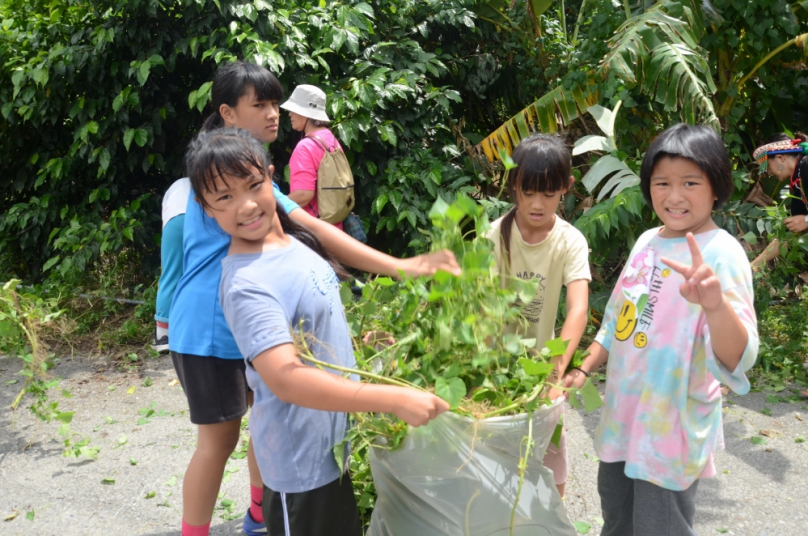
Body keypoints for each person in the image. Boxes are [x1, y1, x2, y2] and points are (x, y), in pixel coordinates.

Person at [164, 61, 460, 536]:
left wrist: (404, 267)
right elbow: (284, 379)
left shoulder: (280, 232)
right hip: (208, 331)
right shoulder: (244, 260)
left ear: (268, 176)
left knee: (264, 423)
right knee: (219, 441)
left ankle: (262, 512)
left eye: (272, 103)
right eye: (258, 104)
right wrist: (389, 399)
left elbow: (317, 230)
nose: (273, 113)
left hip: (300, 419)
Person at [565, 124, 759, 536]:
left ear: (716, 187)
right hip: (623, 417)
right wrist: (582, 369)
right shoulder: (647, 241)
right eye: (662, 183)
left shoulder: (722, 254)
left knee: (660, 528)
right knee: (616, 519)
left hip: (670, 430)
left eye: (690, 182)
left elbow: (738, 358)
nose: (674, 196)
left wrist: (715, 305)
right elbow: (618, 320)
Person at [485, 133, 590, 499]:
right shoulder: (494, 237)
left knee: (550, 451)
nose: (537, 204)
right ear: (514, 184)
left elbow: (578, 307)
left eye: (549, 194)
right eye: (528, 192)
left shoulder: (570, 241)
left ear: (567, 188)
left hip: (545, 367)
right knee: (497, 457)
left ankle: (554, 518)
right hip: (497, 369)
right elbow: (481, 306)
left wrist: (556, 371)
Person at [282, 84, 347, 229]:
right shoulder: (330, 138)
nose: (290, 114)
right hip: (334, 227)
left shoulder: (305, 147)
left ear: (305, 113)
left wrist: (275, 204)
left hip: (312, 231)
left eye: (294, 109)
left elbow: (303, 195)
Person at [750, 133, 808, 269]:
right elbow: (787, 236)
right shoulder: (797, 185)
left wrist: (806, 221)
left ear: (780, 158)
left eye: (768, 166)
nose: (769, 172)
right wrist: (754, 266)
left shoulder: (806, 165)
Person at [151, 178, 191, 353]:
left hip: (174, 220)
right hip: (200, 215)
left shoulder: (174, 188)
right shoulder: (209, 179)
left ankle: (163, 335)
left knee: (171, 274)